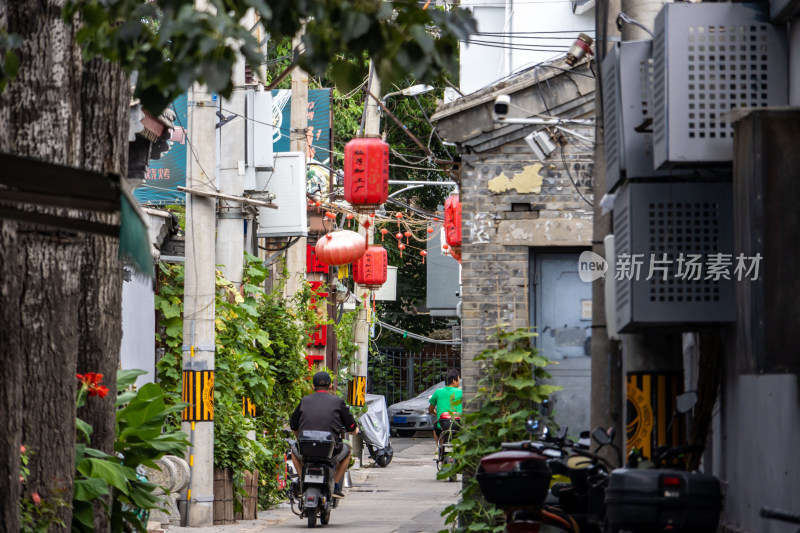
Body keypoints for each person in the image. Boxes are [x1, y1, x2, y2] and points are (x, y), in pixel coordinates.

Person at [289, 371, 359, 498]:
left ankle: (302, 482)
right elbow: (352, 428)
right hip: (330, 452)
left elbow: (293, 425)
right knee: (348, 451)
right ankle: (336, 486)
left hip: (307, 450)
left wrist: (300, 440)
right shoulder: (338, 402)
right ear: (331, 386)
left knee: (294, 451)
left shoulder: (304, 401)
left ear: (313, 387)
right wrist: (355, 430)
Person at [428, 370, 462, 446]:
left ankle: (439, 448)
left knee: (435, 426)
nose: (459, 382)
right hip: (458, 424)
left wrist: (436, 414)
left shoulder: (438, 392)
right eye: (458, 380)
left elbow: (430, 409)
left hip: (443, 425)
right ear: (454, 381)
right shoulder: (461, 392)